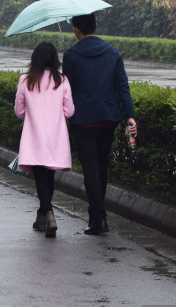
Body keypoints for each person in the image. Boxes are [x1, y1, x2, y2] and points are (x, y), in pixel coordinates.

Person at [62, 12, 136, 236]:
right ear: (96, 25)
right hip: (108, 118)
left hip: (83, 119)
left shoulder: (71, 56)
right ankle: (96, 216)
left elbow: (67, 91)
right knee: (102, 167)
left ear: (76, 30)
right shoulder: (113, 53)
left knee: (90, 169)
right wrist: (129, 116)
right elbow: (122, 87)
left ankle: (99, 217)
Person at [14, 42, 74, 238]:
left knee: (40, 176)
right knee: (48, 176)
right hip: (56, 136)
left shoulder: (25, 80)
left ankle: (48, 214)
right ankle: (42, 216)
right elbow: (69, 111)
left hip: (34, 136)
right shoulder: (62, 80)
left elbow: (19, 111)